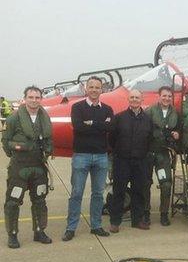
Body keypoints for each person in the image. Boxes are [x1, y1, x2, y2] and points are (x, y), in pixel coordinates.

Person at [63, 76, 114, 241]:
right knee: (76, 193)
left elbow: (109, 127)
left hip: (101, 156)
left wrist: (91, 123)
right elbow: (78, 127)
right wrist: (99, 125)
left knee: (98, 193)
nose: (94, 90)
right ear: (86, 89)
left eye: (97, 87)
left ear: (102, 89)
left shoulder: (108, 109)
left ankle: (96, 225)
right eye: (91, 87)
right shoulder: (77, 107)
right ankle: (71, 228)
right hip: (81, 156)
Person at [2, 86, 53, 248]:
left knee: (39, 200)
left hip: (39, 167)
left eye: (37, 97)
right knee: (13, 202)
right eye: (31, 97)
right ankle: (13, 235)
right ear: (25, 98)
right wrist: (17, 154)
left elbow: (48, 139)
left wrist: (48, 150)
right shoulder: (13, 119)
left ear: (41, 99)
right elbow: (6, 142)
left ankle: (39, 231)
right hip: (19, 168)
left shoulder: (45, 118)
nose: (34, 100)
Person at [109, 90, 153, 233]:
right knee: (119, 192)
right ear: (128, 99)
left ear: (142, 99)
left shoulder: (147, 119)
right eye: (132, 97)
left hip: (140, 161)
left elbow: (150, 139)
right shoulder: (119, 118)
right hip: (122, 161)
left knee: (139, 192)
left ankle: (137, 220)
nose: (134, 100)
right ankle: (115, 222)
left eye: (137, 97)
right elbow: (111, 139)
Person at [144, 86, 179, 226]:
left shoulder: (175, 113)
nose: (167, 98)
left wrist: (177, 134)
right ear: (159, 96)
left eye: (169, 96)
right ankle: (145, 213)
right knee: (145, 184)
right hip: (148, 153)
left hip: (163, 154)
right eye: (164, 96)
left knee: (166, 184)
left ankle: (164, 213)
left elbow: (178, 129)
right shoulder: (150, 111)